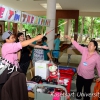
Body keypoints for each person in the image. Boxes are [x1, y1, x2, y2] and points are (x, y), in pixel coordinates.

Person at [65, 35, 100, 100]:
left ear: (95, 47)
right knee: (78, 87)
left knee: (86, 90)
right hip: (80, 74)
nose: (89, 45)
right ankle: (78, 97)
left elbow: (99, 67)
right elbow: (77, 45)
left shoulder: (97, 56)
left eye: (91, 45)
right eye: (89, 44)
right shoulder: (84, 50)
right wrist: (70, 38)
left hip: (88, 77)